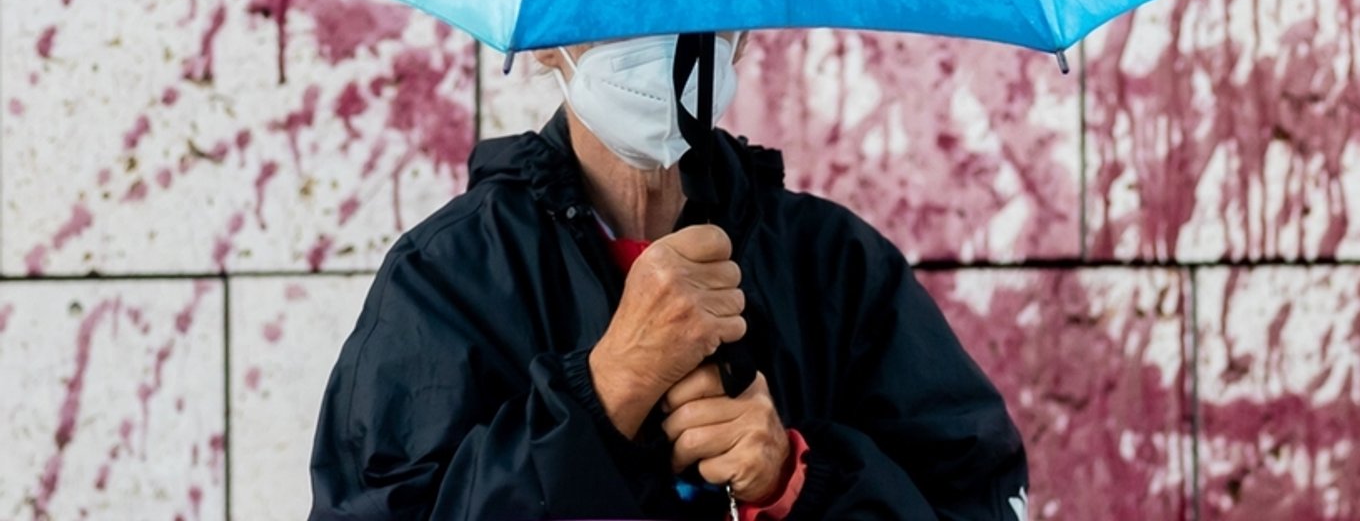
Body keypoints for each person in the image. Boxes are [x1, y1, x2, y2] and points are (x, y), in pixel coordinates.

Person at [308, 31, 1029, 520]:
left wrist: (794, 481)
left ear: (746, 28)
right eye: (611, 0)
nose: (658, 31)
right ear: (543, 42)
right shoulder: (448, 282)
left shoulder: (833, 267)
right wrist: (601, 396)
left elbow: (977, 498)